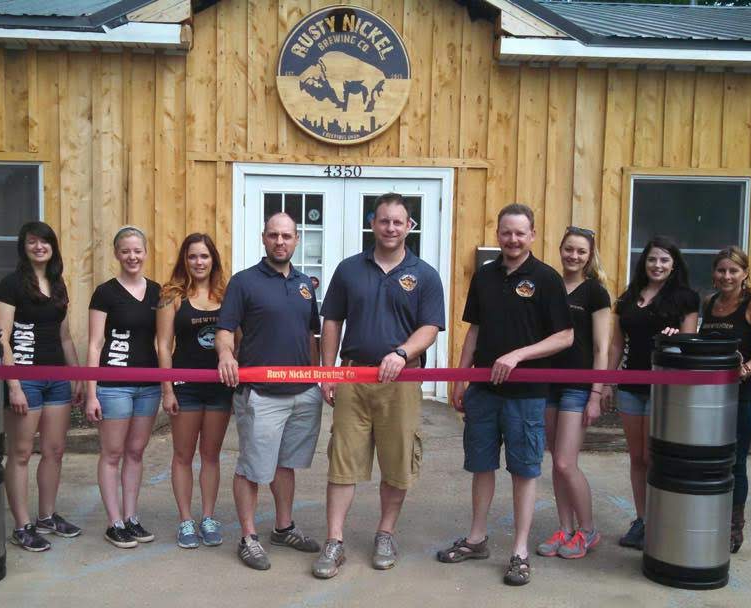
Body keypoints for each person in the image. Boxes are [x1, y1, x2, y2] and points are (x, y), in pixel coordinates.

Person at [437, 204, 573, 586]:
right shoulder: (484, 277)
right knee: (481, 465)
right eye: (506, 232)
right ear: (498, 234)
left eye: (520, 233)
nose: (513, 239)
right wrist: (461, 378)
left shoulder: (546, 279)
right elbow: (474, 331)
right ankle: (477, 538)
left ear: (532, 235)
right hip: (483, 391)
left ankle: (519, 551)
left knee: (524, 469)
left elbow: (566, 336)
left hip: (526, 394)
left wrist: (518, 355)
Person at [312, 193, 445, 579]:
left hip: (401, 382)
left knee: (397, 461)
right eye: (384, 221)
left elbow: (431, 327)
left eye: (398, 222)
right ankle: (334, 541)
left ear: (409, 227)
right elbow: (332, 321)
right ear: (373, 224)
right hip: (354, 377)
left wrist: (402, 353)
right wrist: (329, 372)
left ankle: (385, 534)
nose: (390, 228)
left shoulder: (425, 274)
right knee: (342, 462)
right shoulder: (349, 269)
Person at [217, 212, 323, 570]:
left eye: (287, 236)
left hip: (302, 393)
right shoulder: (244, 282)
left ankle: (283, 527)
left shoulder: (305, 284)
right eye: (274, 235)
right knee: (251, 467)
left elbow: (311, 335)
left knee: (286, 464)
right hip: (260, 395)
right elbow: (225, 329)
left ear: (296, 241)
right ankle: (248, 537)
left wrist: (318, 377)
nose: (281, 241)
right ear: (264, 238)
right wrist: (225, 355)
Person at [0, 221, 83, 552]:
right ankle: (22, 525)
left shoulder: (58, 285)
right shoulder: (10, 285)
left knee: (54, 450)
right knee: (20, 453)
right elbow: (1, 338)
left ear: (53, 247)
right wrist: (13, 385)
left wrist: (78, 378)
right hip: (24, 377)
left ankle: (46, 517)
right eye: (32, 242)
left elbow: (66, 337)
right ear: (23, 246)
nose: (39, 247)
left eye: (44, 242)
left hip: (56, 377)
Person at [603, 236, 699, 550]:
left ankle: (662, 520)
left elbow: (690, 345)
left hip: (666, 390)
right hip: (631, 387)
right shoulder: (629, 298)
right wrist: (606, 381)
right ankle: (642, 519)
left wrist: (675, 338)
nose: (657, 266)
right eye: (652, 260)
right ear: (644, 263)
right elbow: (617, 344)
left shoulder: (685, 299)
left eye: (664, 260)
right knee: (638, 457)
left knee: (657, 457)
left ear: (674, 265)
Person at [84, 226, 161, 549]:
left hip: (148, 385)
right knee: (112, 453)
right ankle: (113, 521)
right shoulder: (105, 292)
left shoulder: (158, 291)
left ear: (145, 253)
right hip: (113, 385)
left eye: (137, 251)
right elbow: (94, 343)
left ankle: (131, 517)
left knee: (135, 452)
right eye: (126, 251)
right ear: (117, 253)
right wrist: (91, 393)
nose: (132, 256)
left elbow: (166, 340)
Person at [536, 227, 611, 560]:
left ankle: (588, 529)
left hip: (578, 386)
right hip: (547, 382)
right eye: (569, 249)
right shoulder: (549, 284)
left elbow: (601, 346)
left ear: (589, 255)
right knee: (555, 460)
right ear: (560, 249)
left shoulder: (595, 292)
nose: (573, 256)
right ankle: (565, 529)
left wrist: (596, 392)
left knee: (567, 462)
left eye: (581, 251)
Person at [156, 233, 233, 550]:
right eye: (192, 257)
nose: (198, 262)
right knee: (183, 455)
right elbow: (163, 345)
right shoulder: (171, 296)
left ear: (213, 259)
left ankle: (209, 517)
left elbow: (236, 339)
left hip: (218, 388)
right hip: (185, 388)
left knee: (211, 456)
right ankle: (186, 520)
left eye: (204, 256)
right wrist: (167, 388)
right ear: (184, 260)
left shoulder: (227, 295)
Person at [699, 246, 751, 553]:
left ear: (745, 274)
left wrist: (746, 369)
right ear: (714, 274)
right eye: (721, 270)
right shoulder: (709, 303)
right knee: (707, 460)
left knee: (734, 462)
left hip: (741, 398)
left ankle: (733, 526)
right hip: (707, 398)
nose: (727, 276)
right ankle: (706, 518)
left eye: (733, 271)